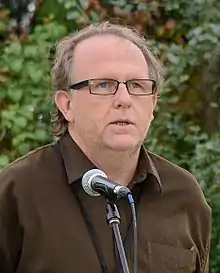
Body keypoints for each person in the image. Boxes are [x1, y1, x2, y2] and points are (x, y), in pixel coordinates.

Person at [0, 21, 211, 273]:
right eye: (103, 85)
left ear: (153, 103)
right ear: (66, 105)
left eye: (137, 85)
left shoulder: (184, 196)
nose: (124, 100)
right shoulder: (16, 192)